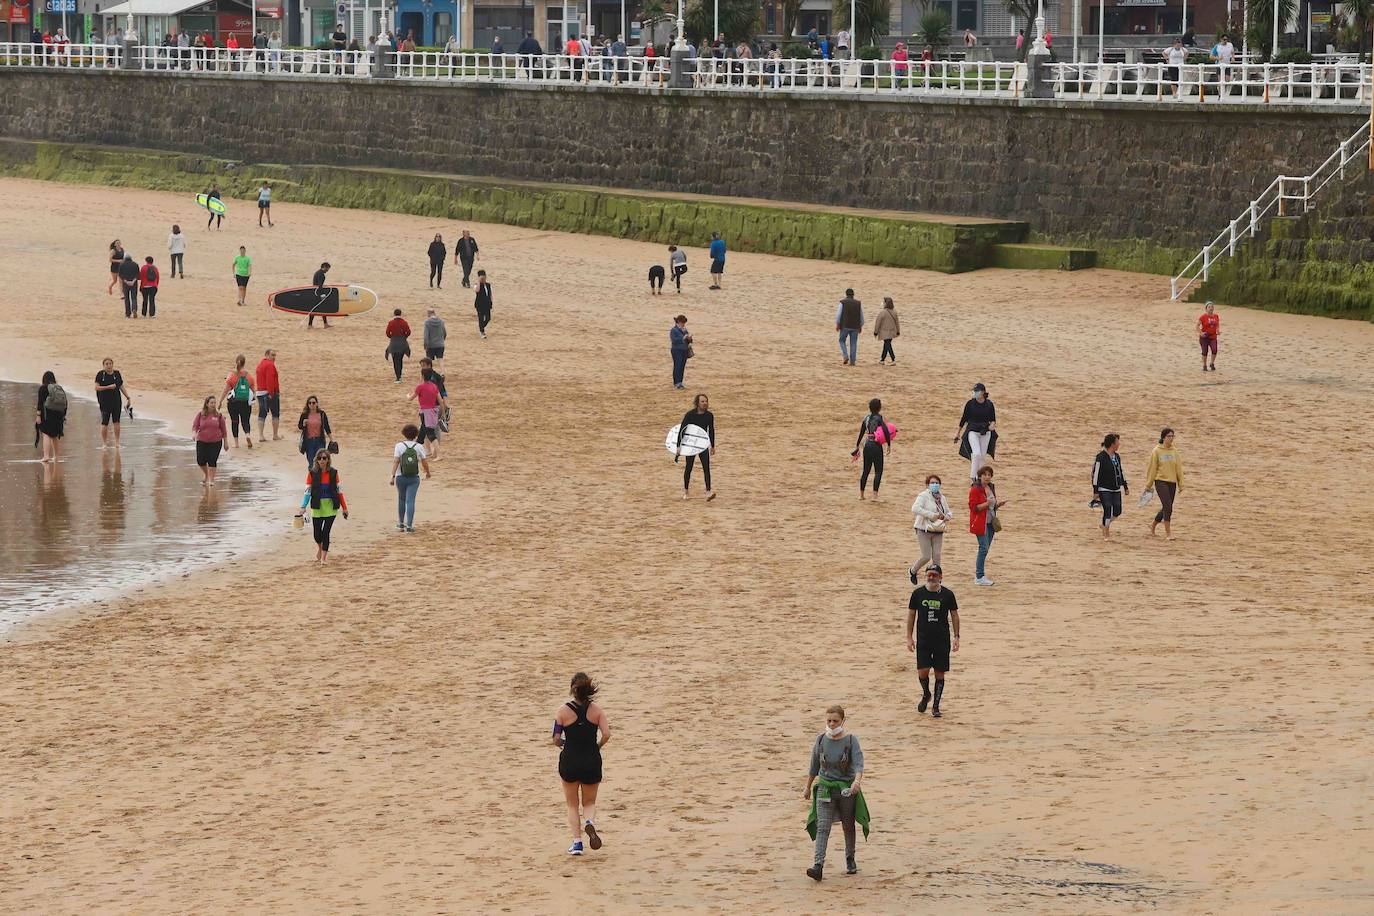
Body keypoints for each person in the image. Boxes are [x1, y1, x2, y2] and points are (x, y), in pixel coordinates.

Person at [803, 705, 868, 881]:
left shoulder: (851, 740)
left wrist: (856, 782)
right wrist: (808, 786)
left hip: (846, 789)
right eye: (829, 721)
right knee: (823, 827)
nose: (831, 724)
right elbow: (814, 766)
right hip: (825, 787)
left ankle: (850, 859)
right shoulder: (820, 740)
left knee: (848, 825)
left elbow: (859, 764)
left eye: (835, 721)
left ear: (843, 721)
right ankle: (818, 866)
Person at [552, 672, 610, 857]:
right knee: (589, 801)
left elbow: (555, 738)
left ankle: (577, 843)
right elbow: (607, 734)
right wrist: (597, 746)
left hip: (570, 759)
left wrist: (563, 744)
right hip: (591, 759)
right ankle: (590, 823)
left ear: (572, 690)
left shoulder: (562, 711)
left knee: (571, 803)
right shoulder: (597, 711)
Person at [906, 565, 960, 717]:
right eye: (929, 574)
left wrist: (956, 636)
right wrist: (909, 637)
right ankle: (926, 694)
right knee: (923, 671)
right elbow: (911, 615)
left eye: (934, 575)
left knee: (939, 674)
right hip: (923, 639)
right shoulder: (918, 594)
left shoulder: (948, 595)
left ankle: (936, 706)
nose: (931, 577)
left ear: (940, 577)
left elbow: (955, 615)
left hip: (942, 640)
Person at [297, 450, 348, 562]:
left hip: (331, 507)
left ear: (328, 460)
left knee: (326, 532)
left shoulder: (334, 473)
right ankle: (320, 549)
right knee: (317, 533)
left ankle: (323, 559)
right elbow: (307, 492)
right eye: (319, 458)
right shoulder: (312, 473)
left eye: (324, 458)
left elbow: (339, 492)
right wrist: (303, 506)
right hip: (317, 506)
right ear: (316, 460)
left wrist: (344, 507)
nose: (322, 460)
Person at [909, 474, 953, 582]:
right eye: (932, 483)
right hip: (923, 529)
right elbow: (915, 508)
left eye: (937, 483)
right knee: (926, 556)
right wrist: (931, 514)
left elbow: (948, 511)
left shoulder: (942, 497)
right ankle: (913, 571)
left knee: (937, 556)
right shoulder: (923, 496)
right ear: (928, 485)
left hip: (938, 529)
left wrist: (948, 516)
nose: (935, 485)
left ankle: (936, 578)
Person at [388, 422, 432, 532]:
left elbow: (396, 461)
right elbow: (424, 462)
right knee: (410, 501)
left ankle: (401, 524)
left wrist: (392, 476)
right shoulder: (419, 447)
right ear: (416, 435)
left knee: (401, 499)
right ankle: (410, 526)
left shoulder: (399, 446)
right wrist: (427, 472)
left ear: (404, 434)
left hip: (400, 477)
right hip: (413, 477)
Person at [674, 393, 716, 501]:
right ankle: (686, 491)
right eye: (702, 401)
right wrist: (679, 445)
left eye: (706, 401)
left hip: (702, 445)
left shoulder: (709, 415)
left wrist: (712, 445)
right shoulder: (690, 415)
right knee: (689, 467)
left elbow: (711, 430)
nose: (705, 403)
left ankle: (708, 492)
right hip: (691, 444)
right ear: (697, 403)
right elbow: (682, 429)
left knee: (706, 468)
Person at [1144, 427, 1184, 539]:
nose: (1171, 438)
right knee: (1167, 506)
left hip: (1172, 482)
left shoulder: (1174, 451)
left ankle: (1152, 525)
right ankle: (1168, 534)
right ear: (1163, 437)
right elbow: (1152, 468)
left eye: (1172, 436)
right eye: (1169, 436)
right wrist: (1148, 485)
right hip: (1160, 481)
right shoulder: (1156, 451)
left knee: (1168, 507)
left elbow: (1179, 468)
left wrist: (1181, 484)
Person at [968, 464, 1005, 586]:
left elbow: (991, 506)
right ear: (980, 476)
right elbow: (973, 508)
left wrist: (997, 505)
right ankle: (979, 576)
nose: (987, 477)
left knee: (986, 548)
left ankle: (980, 575)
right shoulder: (975, 489)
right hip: (980, 522)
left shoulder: (991, 487)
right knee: (983, 548)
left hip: (990, 523)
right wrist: (986, 503)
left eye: (989, 475)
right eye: (985, 474)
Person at [955, 382, 996, 482]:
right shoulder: (970, 404)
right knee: (976, 453)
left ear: (982, 392)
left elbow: (993, 419)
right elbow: (963, 419)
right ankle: (973, 477)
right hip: (972, 431)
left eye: (977, 391)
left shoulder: (989, 404)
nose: (974, 393)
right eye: (974, 391)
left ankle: (980, 477)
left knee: (982, 456)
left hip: (985, 432)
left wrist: (992, 425)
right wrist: (958, 433)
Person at [1092, 433, 1129, 541]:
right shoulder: (1100, 457)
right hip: (1104, 488)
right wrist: (1095, 490)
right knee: (1107, 509)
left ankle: (1104, 524)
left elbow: (1121, 471)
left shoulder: (1117, 456)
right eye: (1118, 442)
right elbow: (1096, 474)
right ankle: (1106, 533)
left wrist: (1125, 486)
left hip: (1116, 488)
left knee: (1117, 510)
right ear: (1112, 444)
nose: (1119, 444)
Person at [407, 366, 447, 461]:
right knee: (421, 434)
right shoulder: (434, 386)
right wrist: (443, 412)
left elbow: (410, 398)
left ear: (423, 376)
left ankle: (439, 455)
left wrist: (407, 395)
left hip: (425, 413)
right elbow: (440, 401)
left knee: (430, 434)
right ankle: (415, 454)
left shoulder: (420, 387)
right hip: (433, 411)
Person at [853, 397, 890, 500]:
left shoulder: (866, 418)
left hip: (867, 445)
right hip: (876, 445)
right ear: (879, 408)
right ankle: (874, 495)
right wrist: (888, 444)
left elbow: (861, 432)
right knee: (878, 471)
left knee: (866, 470)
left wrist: (857, 445)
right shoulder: (879, 418)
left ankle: (861, 495)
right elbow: (886, 431)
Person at [218, 354, 255, 449]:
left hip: (233, 403)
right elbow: (252, 391)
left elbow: (225, 390)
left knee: (235, 421)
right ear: (244, 363)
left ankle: (236, 443)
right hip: (245, 402)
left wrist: (220, 401)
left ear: (236, 362)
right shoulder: (249, 376)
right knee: (245, 421)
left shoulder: (232, 376)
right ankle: (247, 435)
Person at [95, 358, 133, 449]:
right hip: (104, 402)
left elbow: (121, 386)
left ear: (113, 364)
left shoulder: (117, 374)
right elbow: (97, 388)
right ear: (103, 366)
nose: (109, 366)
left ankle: (117, 442)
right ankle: (104, 443)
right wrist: (108, 387)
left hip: (116, 401)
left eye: (110, 364)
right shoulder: (100, 374)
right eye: (106, 364)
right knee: (105, 422)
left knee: (117, 421)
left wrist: (127, 397)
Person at [191, 395, 228, 485]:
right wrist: (194, 434)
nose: (213, 404)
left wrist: (225, 443)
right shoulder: (201, 414)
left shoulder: (218, 415)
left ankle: (211, 480)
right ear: (207, 404)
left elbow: (223, 429)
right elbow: (195, 426)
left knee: (212, 460)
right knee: (200, 461)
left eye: (214, 403)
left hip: (215, 441)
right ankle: (206, 474)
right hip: (202, 440)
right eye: (211, 403)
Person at [36, 370, 67, 464]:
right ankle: (56, 456)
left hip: (47, 415)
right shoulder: (58, 388)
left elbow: (40, 403)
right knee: (55, 435)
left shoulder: (43, 388)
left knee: (46, 434)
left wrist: (38, 416)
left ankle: (46, 456)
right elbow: (65, 402)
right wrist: (64, 415)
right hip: (58, 414)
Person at [297, 396, 333, 467]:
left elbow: (327, 427)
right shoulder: (305, 414)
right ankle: (312, 477)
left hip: (319, 441)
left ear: (317, 404)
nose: (311, 405)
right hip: (309, 442)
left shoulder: (322, 414)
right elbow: (300, 426)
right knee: (311, 462)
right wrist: (304, 424)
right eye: (309, 403)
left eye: (313, 403)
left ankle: (320, 477)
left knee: (321, 461)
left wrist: (331, 439)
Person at [254, 348, 282, 440]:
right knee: (275, 413)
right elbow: (270, 380)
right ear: (267, 355)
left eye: (275, 355)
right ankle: (275, 435)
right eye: (272, 355)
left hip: (260, 392)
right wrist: (271, 393)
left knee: (262, 413)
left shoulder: (260, 365)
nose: (274, 357)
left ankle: (261, 435)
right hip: (269, 392)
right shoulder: (270, 365)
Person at [835, 288, 864, 366]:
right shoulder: (858, 303)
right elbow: (861, 316)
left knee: (841, 340)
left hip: (845, 325)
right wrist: (860, 325)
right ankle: (853, 361)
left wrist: (837, 324)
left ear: (846, 294)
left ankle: (845, 356)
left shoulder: (843, 302)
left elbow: (838, 314)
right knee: (853, 343)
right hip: (855, 326)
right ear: (853, 294)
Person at [386, 309, 412, 382]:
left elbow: (387, 333)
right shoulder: (404, 322)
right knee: (400, 359)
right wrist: (404, 337)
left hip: (394, 343)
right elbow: (409, 332)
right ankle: (399, 375)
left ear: (394, 314)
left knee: (395, 360)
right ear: (401, 314)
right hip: (402, 343)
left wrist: (392, 337)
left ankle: (398, 377)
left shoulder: (391, 322)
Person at [873, 297, 899, 365]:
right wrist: (898, 331)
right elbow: (897, 322)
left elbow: (878, 323)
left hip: (884, 332)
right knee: (886, 345)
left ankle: (893, 359)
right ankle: (882, 359)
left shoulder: (882, 312)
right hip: (892, 331)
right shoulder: (894, 312)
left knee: (888, 345)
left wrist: (875, 332)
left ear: (885, 303)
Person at [669, 315, 691, 390]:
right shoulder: (673, 330)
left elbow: (689, 341)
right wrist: (683, 338)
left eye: (684, 323)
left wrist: (689, 338)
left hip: (684, 350)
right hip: (676, 350)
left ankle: (680, 382)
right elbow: (674, 341)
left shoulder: (685, 330)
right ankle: (676, 383)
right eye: (682, 322)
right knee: (677, 366)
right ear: (678, 322)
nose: (683, 324)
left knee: (682, 367)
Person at [1197, 301, 1219, 371]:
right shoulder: (1203, 317)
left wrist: (1217, 330)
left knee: (1214, 350)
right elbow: (1197, 326)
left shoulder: (1216, 316)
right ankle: (1204, 365)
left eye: (1212, 307)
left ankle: (1212, 363)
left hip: (1213, 337)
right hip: (1204, 337)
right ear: (1206, 309)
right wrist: (1201, 333)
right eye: (1209, 307)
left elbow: (1217, 324)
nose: (1211, 308)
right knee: (1204, 352)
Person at [308, 262, 331, 328]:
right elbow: (320, 285)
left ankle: (325, 324)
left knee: (320, 308)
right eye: (327, 268)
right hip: (317, 293)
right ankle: (310, 325)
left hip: (315, 292)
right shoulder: (321, 274)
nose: (327, 270)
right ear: (324, 267)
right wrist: (322, 294)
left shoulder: (318, 272)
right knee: (317, 309)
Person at [474, 270, 493, 338]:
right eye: (482, 278)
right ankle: (482, 331)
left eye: (484, 277)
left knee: (488, 318)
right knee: (481, 318)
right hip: (479, 304)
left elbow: (490, 294)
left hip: (487, 304)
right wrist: (479, 281)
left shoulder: (488, 285)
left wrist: (491, 301)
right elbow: (477, 290)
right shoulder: (477, 284)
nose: (484, 279)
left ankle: (481, 327)